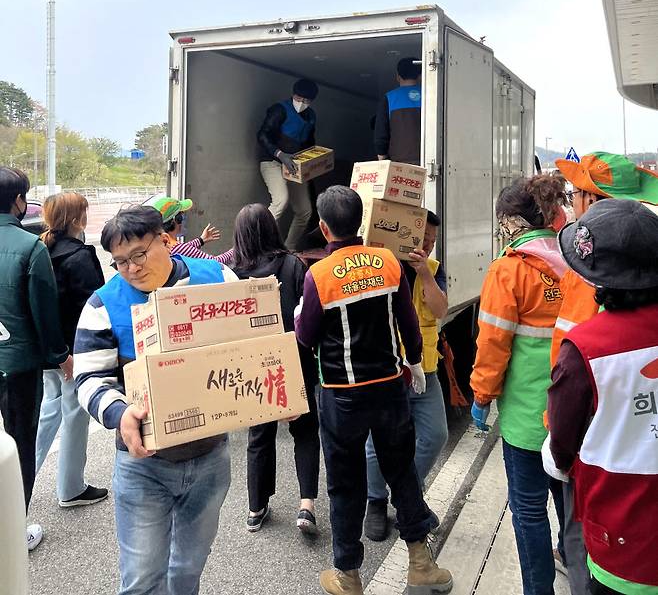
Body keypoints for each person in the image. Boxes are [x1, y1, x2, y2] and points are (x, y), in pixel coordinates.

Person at [295, 186, 452, 595]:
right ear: (361, 222)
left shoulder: (319, 276)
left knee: (345, 484)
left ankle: (347, 575)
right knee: (402, 472)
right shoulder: (387, 262)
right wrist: (414, 362)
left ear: (324, 228)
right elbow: (407, 321)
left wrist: (300, 316)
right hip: (389, 389)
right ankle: (421, 562)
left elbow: (307, 336)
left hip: (341, 394)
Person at [74, 206, 236, 594]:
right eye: (119, 262)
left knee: (187, 569)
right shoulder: (103, 305)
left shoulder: (218, 279)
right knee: (142, 578)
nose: (130, 268)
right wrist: (120, 413)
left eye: (138, 255)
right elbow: (88, 378)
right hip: (143, 463)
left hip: (211, 456)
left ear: (166, 240)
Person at [547, 151, 658, 594]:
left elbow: (562, 448)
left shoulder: (588, 347)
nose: (573, 201)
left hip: (617, 533)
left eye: (577, 194)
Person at [469, 174, 569, 595]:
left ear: (511, 222)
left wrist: (480, 395)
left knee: (529, 510)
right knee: (570, 507)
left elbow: (493, 344)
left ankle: (538, 590)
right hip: (573, 415)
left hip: (528, 420)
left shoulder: (509, 270)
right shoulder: (575, 263)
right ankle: (576, 569)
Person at [230, 203, 321, 535]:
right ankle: (306, 506)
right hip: (295, 360)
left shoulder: (233, 273)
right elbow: (307, 317)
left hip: (253, 366)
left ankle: (256, 508)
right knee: (306, 432)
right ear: (273, 229)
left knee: (260, 435)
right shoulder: (294, 265)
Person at [364, 210, 449, 541]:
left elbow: (440, 310)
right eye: (423, 237)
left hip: (424, 369)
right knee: (377, 441)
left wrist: (424, 274)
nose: (427, 244)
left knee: (436, 434)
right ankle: (376, 501)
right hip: (386, 368)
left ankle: (406, 493)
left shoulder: (434, 269)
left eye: (432, 240)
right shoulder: (382, 265)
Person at [0, 167, 69, 551]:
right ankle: (12, 532)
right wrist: (60, 356)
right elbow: (45, 312)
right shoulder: (30, 248)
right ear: (18, 202)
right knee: (19, 444)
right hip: (20, 365)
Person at [35, 192, 108, 508]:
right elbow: (91, 307)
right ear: (78, 219)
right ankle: (71, 488)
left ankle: (18, 474)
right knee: (76, 415)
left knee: (49, 411)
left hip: (48, 350)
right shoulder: (79, 257)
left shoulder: (41, 250)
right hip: (73, 352)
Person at [257, 78, 319, 250]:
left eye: (306, 101)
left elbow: (310, 143)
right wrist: (280, 154)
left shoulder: (311, 116)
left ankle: (289, 249)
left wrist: (312, 163)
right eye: (299, 99)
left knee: (305, 210)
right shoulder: (279, 110)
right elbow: (262, 135)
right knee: (280, 200)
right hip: (272, 162)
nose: (302, 103)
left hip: (295, 166)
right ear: (293, 95)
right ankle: (253, 240)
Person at [144, 194, 233, 264]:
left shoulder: (162, 243)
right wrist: (237, 248)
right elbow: (216, 262)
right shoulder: (177, 248)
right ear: (176, 220)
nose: (185, 218)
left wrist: (201, 240)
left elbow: (185, 249)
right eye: (182, 215)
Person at [374, 57, 422, 165]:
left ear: (397, 76)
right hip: (428, 159)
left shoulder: (389, 98)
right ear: (420, 75)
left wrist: (382, 159)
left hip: (400, 162)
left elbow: (381, 132)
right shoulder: (430, 95)